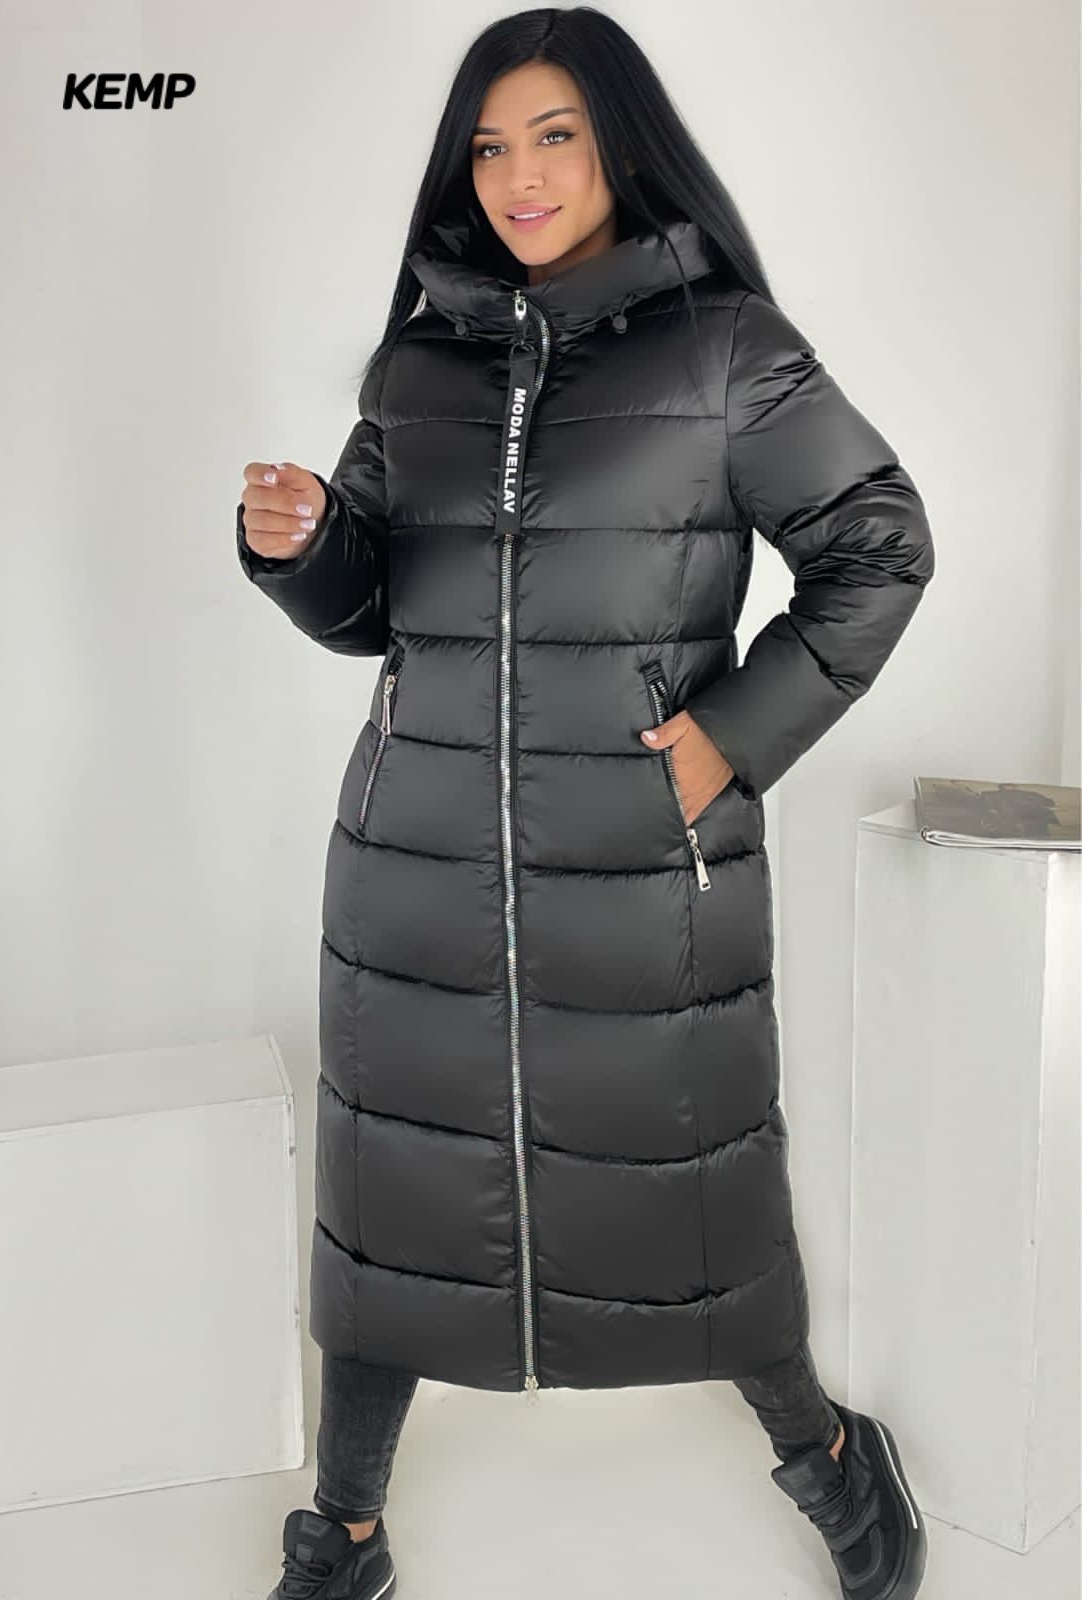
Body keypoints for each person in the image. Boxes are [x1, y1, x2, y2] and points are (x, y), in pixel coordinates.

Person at [236, 9, 935, 1599]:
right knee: (389, 1213)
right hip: (411, 870)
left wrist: (726, 740)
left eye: (552, 134)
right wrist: (303, 547)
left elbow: (878, 546)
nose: (518, 175)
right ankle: (345, 1533)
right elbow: (375, 608)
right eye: (489, 145)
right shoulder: (419, 362)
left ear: (619, 143)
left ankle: (826, 1457)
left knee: (694, 1205)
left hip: (639, 872)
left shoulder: (727, 351)